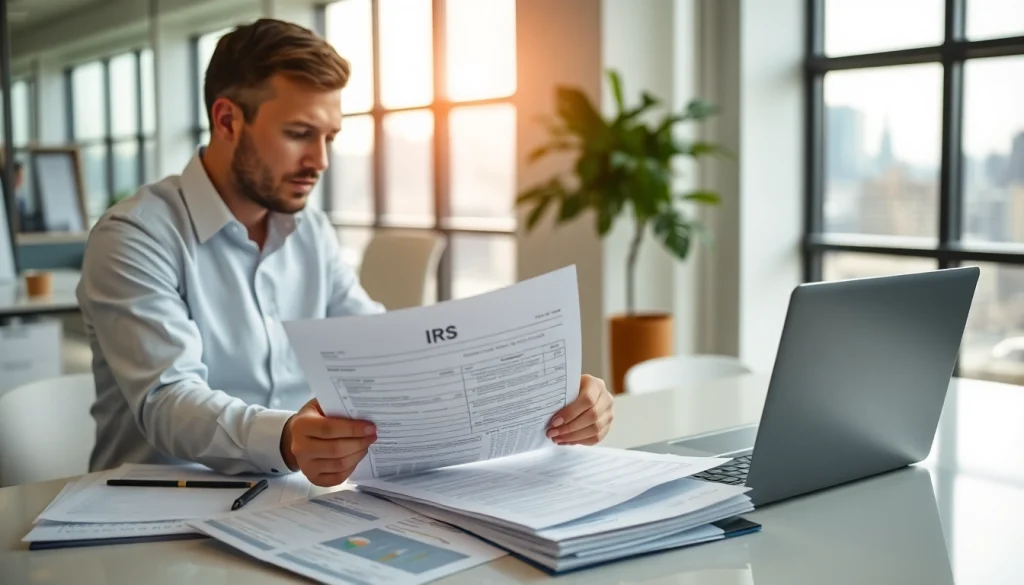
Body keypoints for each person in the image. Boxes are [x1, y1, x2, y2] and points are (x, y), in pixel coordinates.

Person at [76, 18, 614, 488]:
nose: (321, 161)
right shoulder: (134, 236)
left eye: (330, 137)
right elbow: (168, 402)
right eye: (299, 133)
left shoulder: (309, 228)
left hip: (292, 501)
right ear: (227, 120)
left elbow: (387, 347)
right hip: (157, 515)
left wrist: (550, 393)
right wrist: (286, 438)